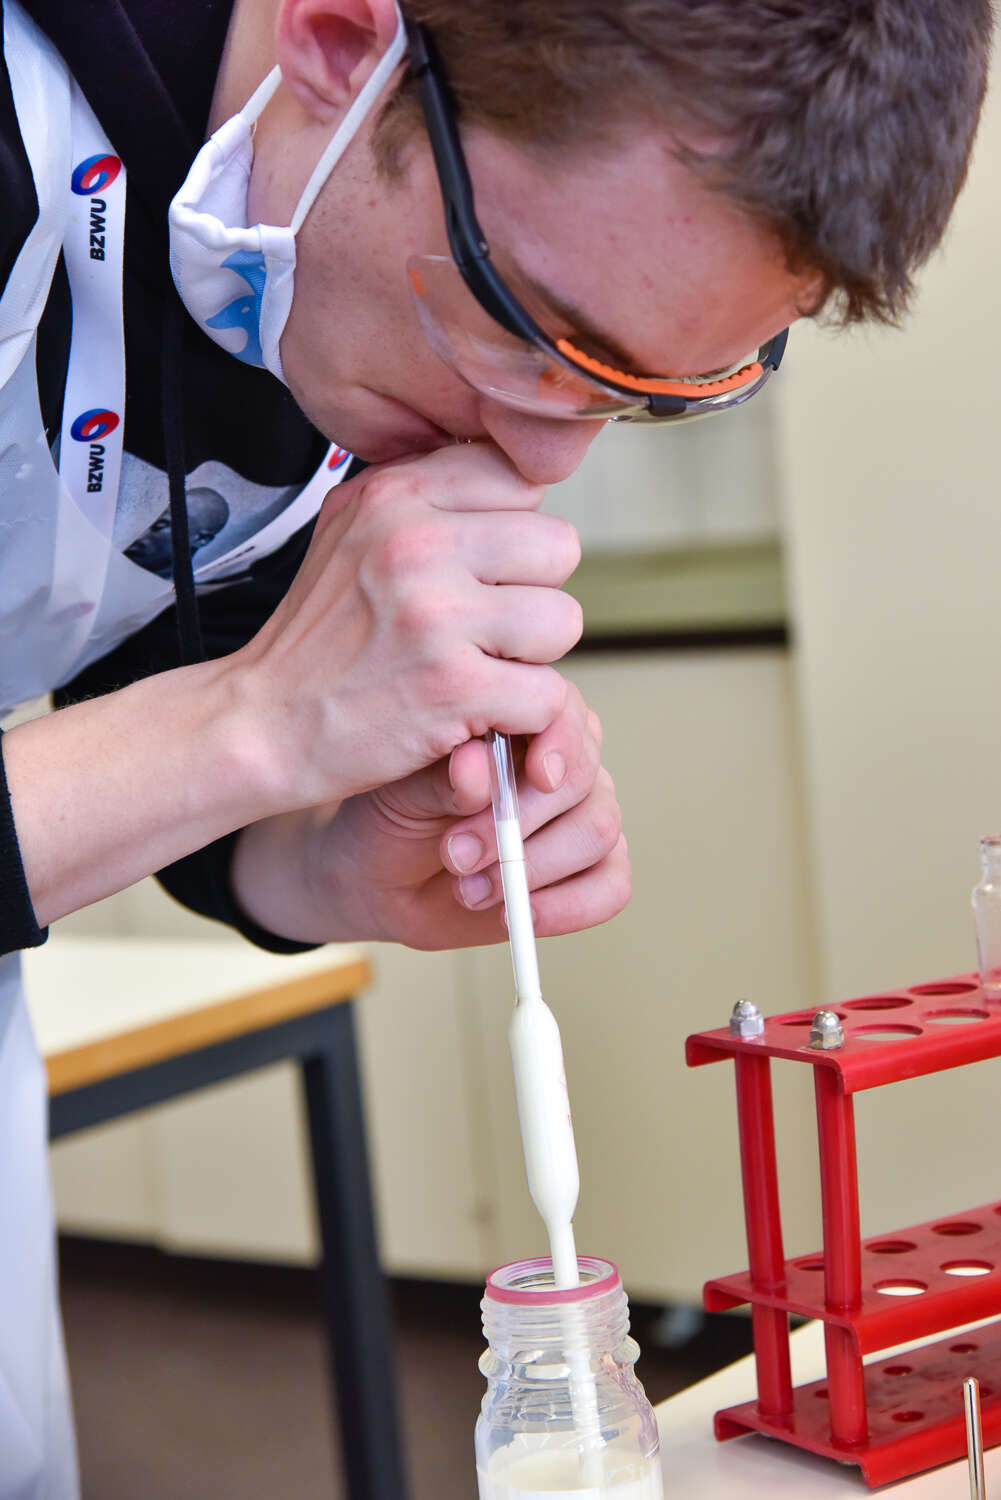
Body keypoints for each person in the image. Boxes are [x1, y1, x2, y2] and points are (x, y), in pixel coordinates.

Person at [0, 0, 991, 1491]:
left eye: (645, 392)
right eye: (526, 325)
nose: (539, 457)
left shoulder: (314, 252)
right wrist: (251, 718)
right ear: (344, 39)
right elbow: (207, 710)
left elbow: (142, 691)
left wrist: (316, 859)